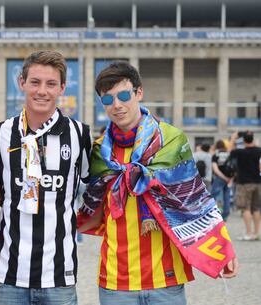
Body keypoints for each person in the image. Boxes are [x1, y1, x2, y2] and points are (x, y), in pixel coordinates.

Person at [78, 61, 238, 305]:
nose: (117, 105)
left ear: (138, 92)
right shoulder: (99, 151)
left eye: (123, 95)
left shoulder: (171, 140)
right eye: (108, 100)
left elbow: (196, 200)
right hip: (115, 281)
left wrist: (223, 249)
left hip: (166, 279)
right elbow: (93, 213)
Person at [0, 50, 91, 305]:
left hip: (59, 278)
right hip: (8, 275)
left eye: (51, 83)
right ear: (22, 83)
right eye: (35, 82)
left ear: (62, 88)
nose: (42, 91)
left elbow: (95, 190)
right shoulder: (1, 133)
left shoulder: (79, 134)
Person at [229, 130, 261, 241]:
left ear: (243, 140)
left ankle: (249, 233)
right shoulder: (259, 150)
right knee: (256, 208)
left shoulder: (240, 152)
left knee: (246, 208)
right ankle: (256, 233)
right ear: (253, 138)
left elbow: (229, 152)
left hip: (244, 183)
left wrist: (233, 138)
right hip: (257, 182)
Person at [211, 140, 234, 221]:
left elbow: (215, 169)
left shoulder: (216, 155)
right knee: (226, 196)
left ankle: (212, 214)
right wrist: (229, 179)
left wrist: (223, 177)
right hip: (229, 178)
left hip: (219, 178)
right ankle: (225, 215)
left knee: (214, 196)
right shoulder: (229, 154)